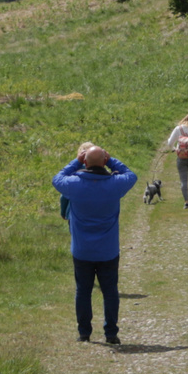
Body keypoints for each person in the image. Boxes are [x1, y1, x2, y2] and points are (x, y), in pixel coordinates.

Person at [51, 143, 138, 344]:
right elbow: (131, 175)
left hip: (82, 250)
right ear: (104, 161)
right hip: (108, 249)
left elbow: (57, 179)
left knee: (83, 291)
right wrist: (111, 159)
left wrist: (77, 161)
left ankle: (84, 333)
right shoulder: (114, 185)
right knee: (110, 291)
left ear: (85, 162)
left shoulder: (74, 185)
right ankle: (111, 333)